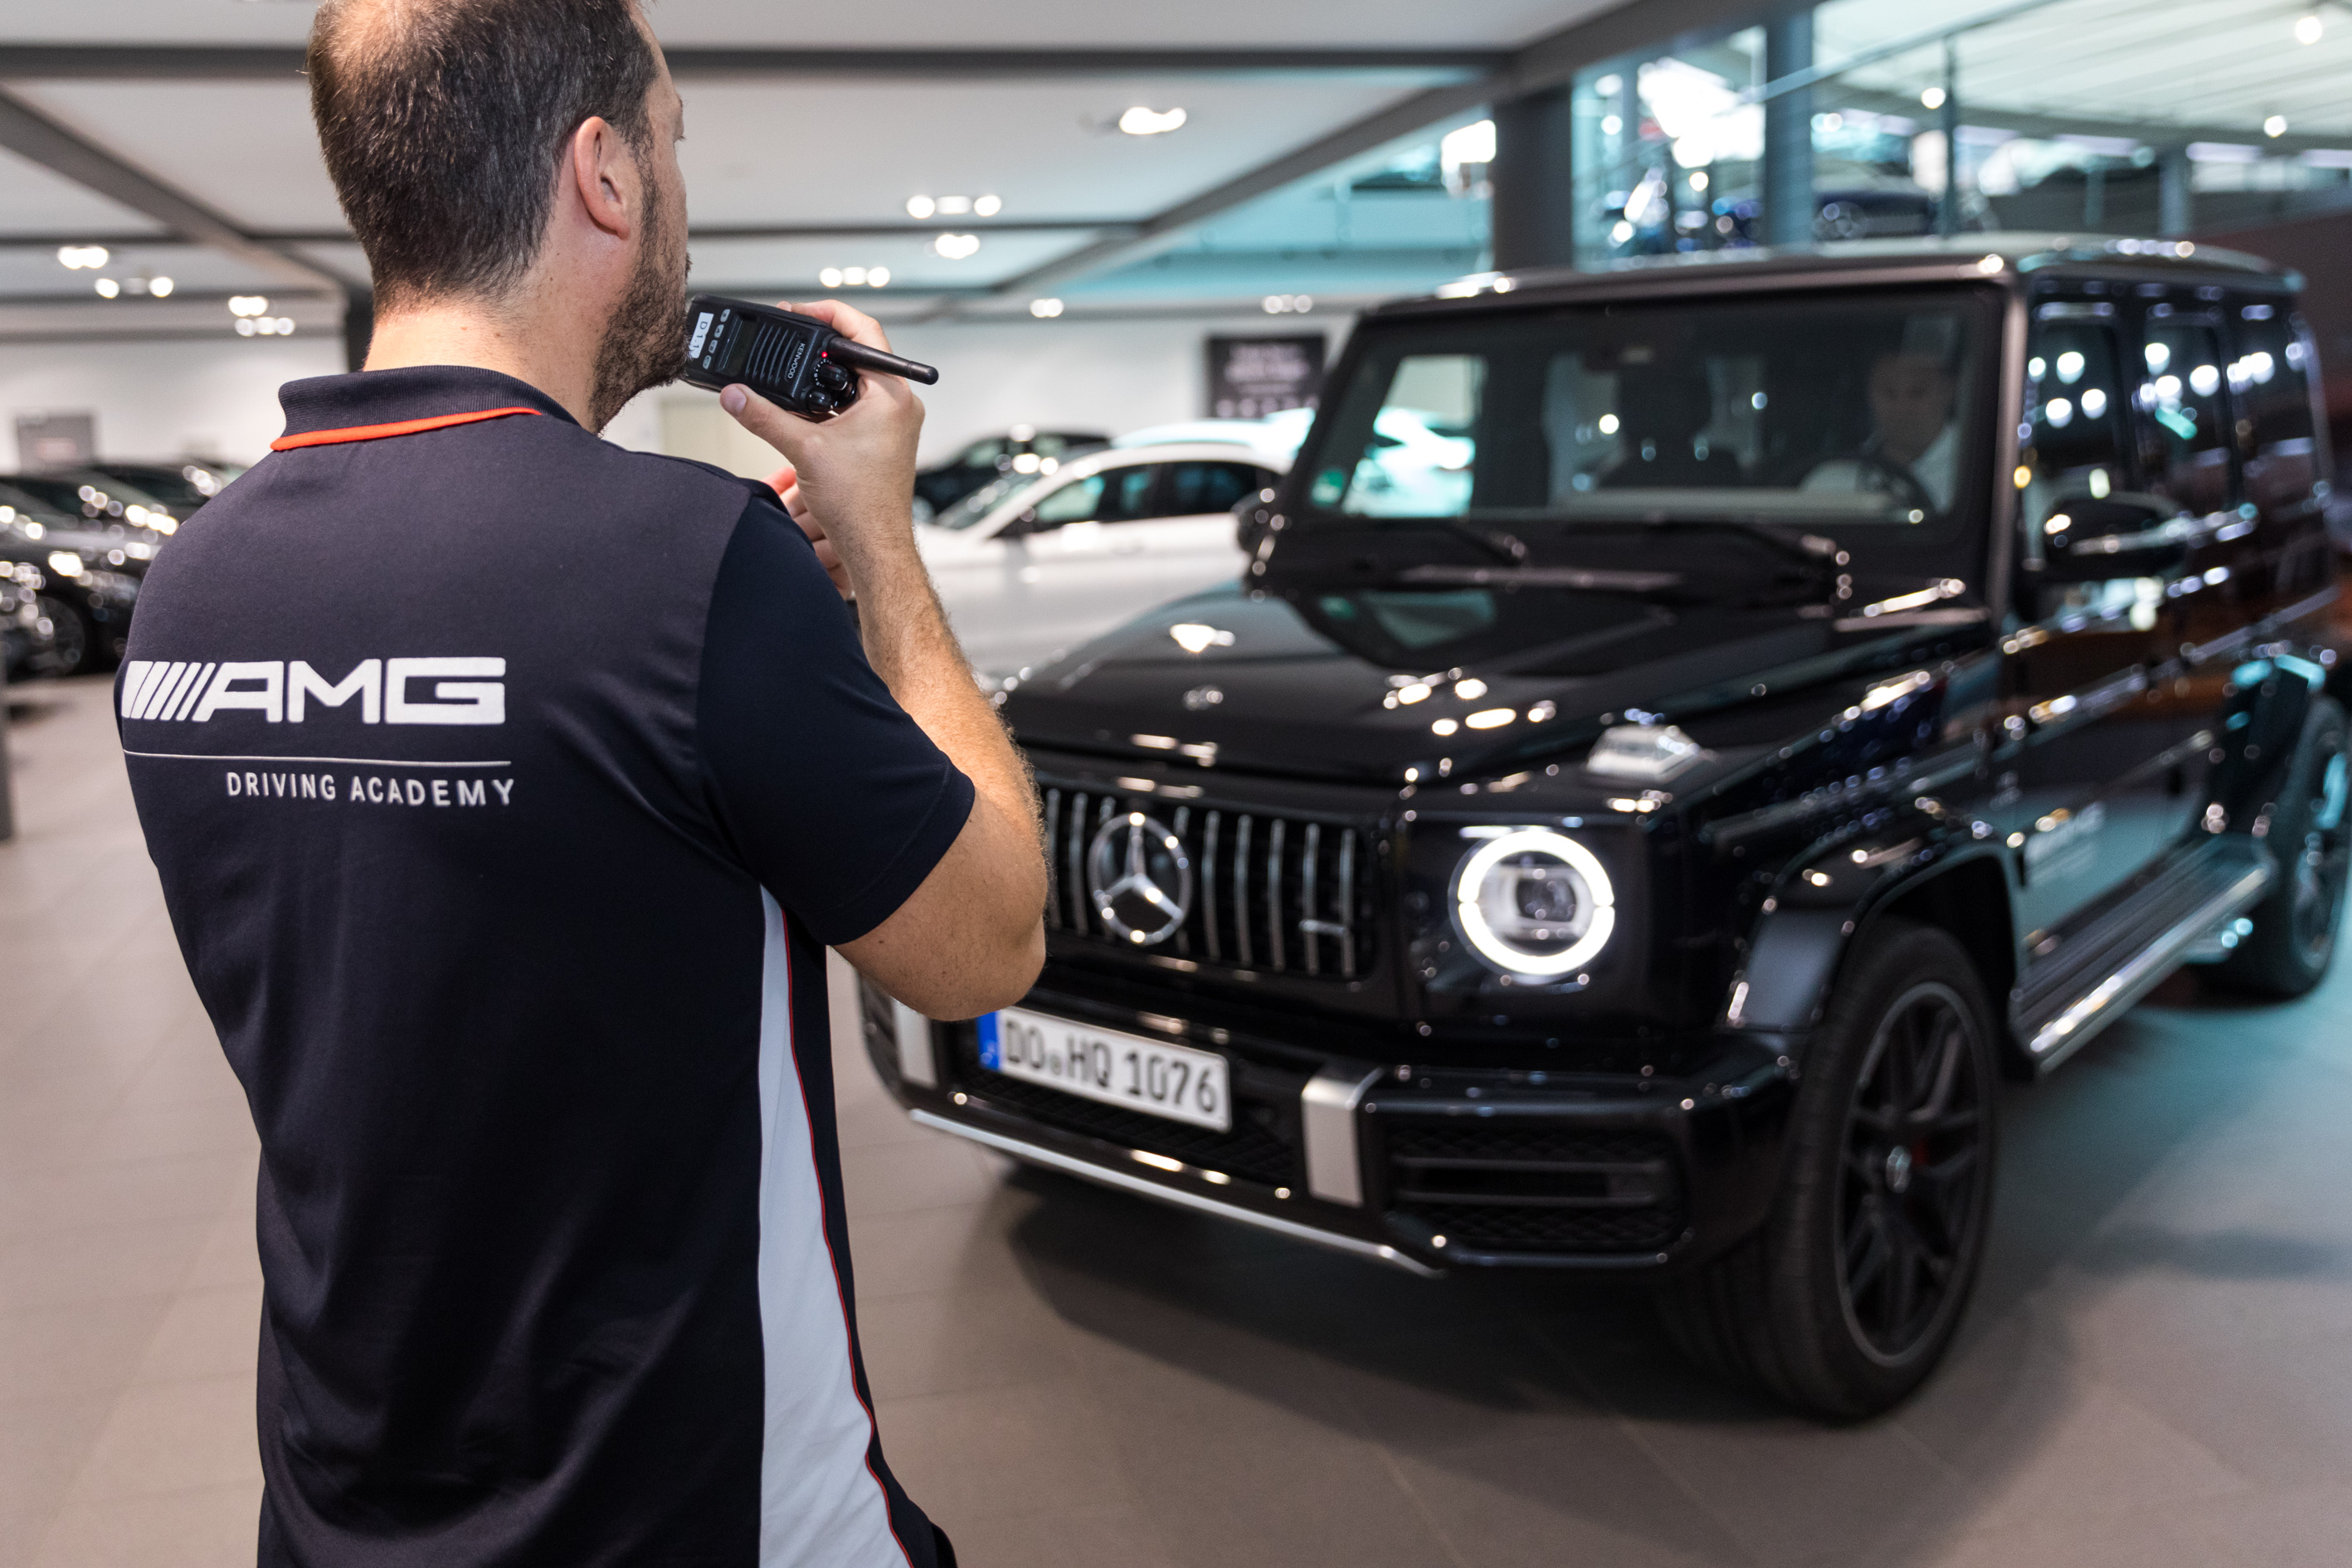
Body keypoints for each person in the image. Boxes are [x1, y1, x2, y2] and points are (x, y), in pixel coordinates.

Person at [114, 2, 1046, 1565]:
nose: (680, 192)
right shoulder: (689, 563)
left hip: (338, 1506)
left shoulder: (192, 589)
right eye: (673, 144)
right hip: (700, 1516)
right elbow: (987, 946)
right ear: (604, 173)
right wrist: (880, 545)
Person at [1801, 348, 1961, 511]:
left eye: (1917, 393)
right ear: (1870, 394)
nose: (1902, 407)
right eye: (1889, 393)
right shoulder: (1830, 484)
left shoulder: (1971, 474)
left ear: (1948, 391)